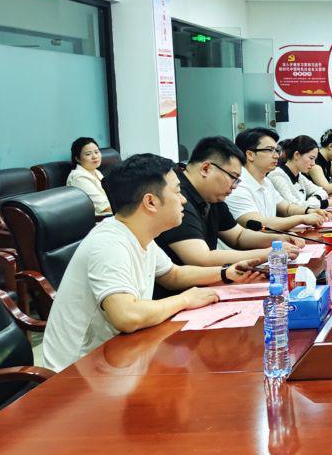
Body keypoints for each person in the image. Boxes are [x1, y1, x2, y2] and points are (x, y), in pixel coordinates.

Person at [41, 154, 265, 372]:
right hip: (78, 373)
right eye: (177, 192)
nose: (183, 200)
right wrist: (186, 299)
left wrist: (226, 273)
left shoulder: (139, 234)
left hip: (119, 358)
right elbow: (127, 315)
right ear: (150, 202)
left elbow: (173, 275)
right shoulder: (109, 243)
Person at [154, 137, 305, 280]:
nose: (234, 186)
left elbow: (238, 236)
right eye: (233, 177)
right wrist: (270, 253)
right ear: (206, 168)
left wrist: (277, 239)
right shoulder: (178, 199)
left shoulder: (211, 196)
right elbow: (202, 258)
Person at [225, 128, 328, 231]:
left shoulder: (266, 182)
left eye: (276, 150)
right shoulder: (237, 186)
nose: (276, 156)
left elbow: (286, 208)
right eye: (270, 150)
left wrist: (308, 211)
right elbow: (260, 224)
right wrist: (302, 219)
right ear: (250, 155)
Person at [268, 135, 332, 210]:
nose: (313, 163)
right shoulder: (277, 176)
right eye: (311, 158)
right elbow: (293, 207)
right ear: (297, 155)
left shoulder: (299, 176)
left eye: (314, 159)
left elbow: (322, 191)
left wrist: (312, 200)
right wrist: (327, 203)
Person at [66, 137, 111, 214]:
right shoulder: (79, 178)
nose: (94, 156)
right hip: (99, 218)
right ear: (77, 158)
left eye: (96, 152)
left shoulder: (96, 172)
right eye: (88, 154)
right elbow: (104, 206)